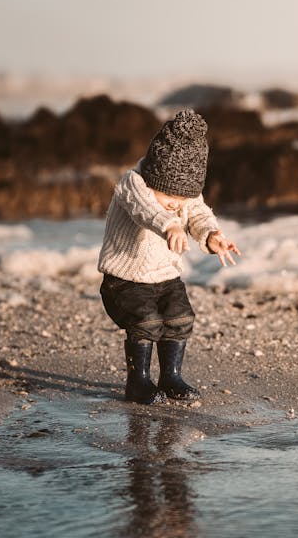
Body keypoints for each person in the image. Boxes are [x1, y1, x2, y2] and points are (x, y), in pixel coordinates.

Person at [98, 109, 240, 404]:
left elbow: (198, 213)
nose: (176, 206)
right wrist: (170, 223)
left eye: (181, 202)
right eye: (169, 200)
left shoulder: (185, 196)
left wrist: (212, 236)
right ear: (153, 180)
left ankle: (171, 377)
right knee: (147, 322)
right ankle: (138, 383)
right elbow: (147, 210)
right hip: (125, 281)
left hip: (166, 277)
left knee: (180, 318)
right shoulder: (133, 184)